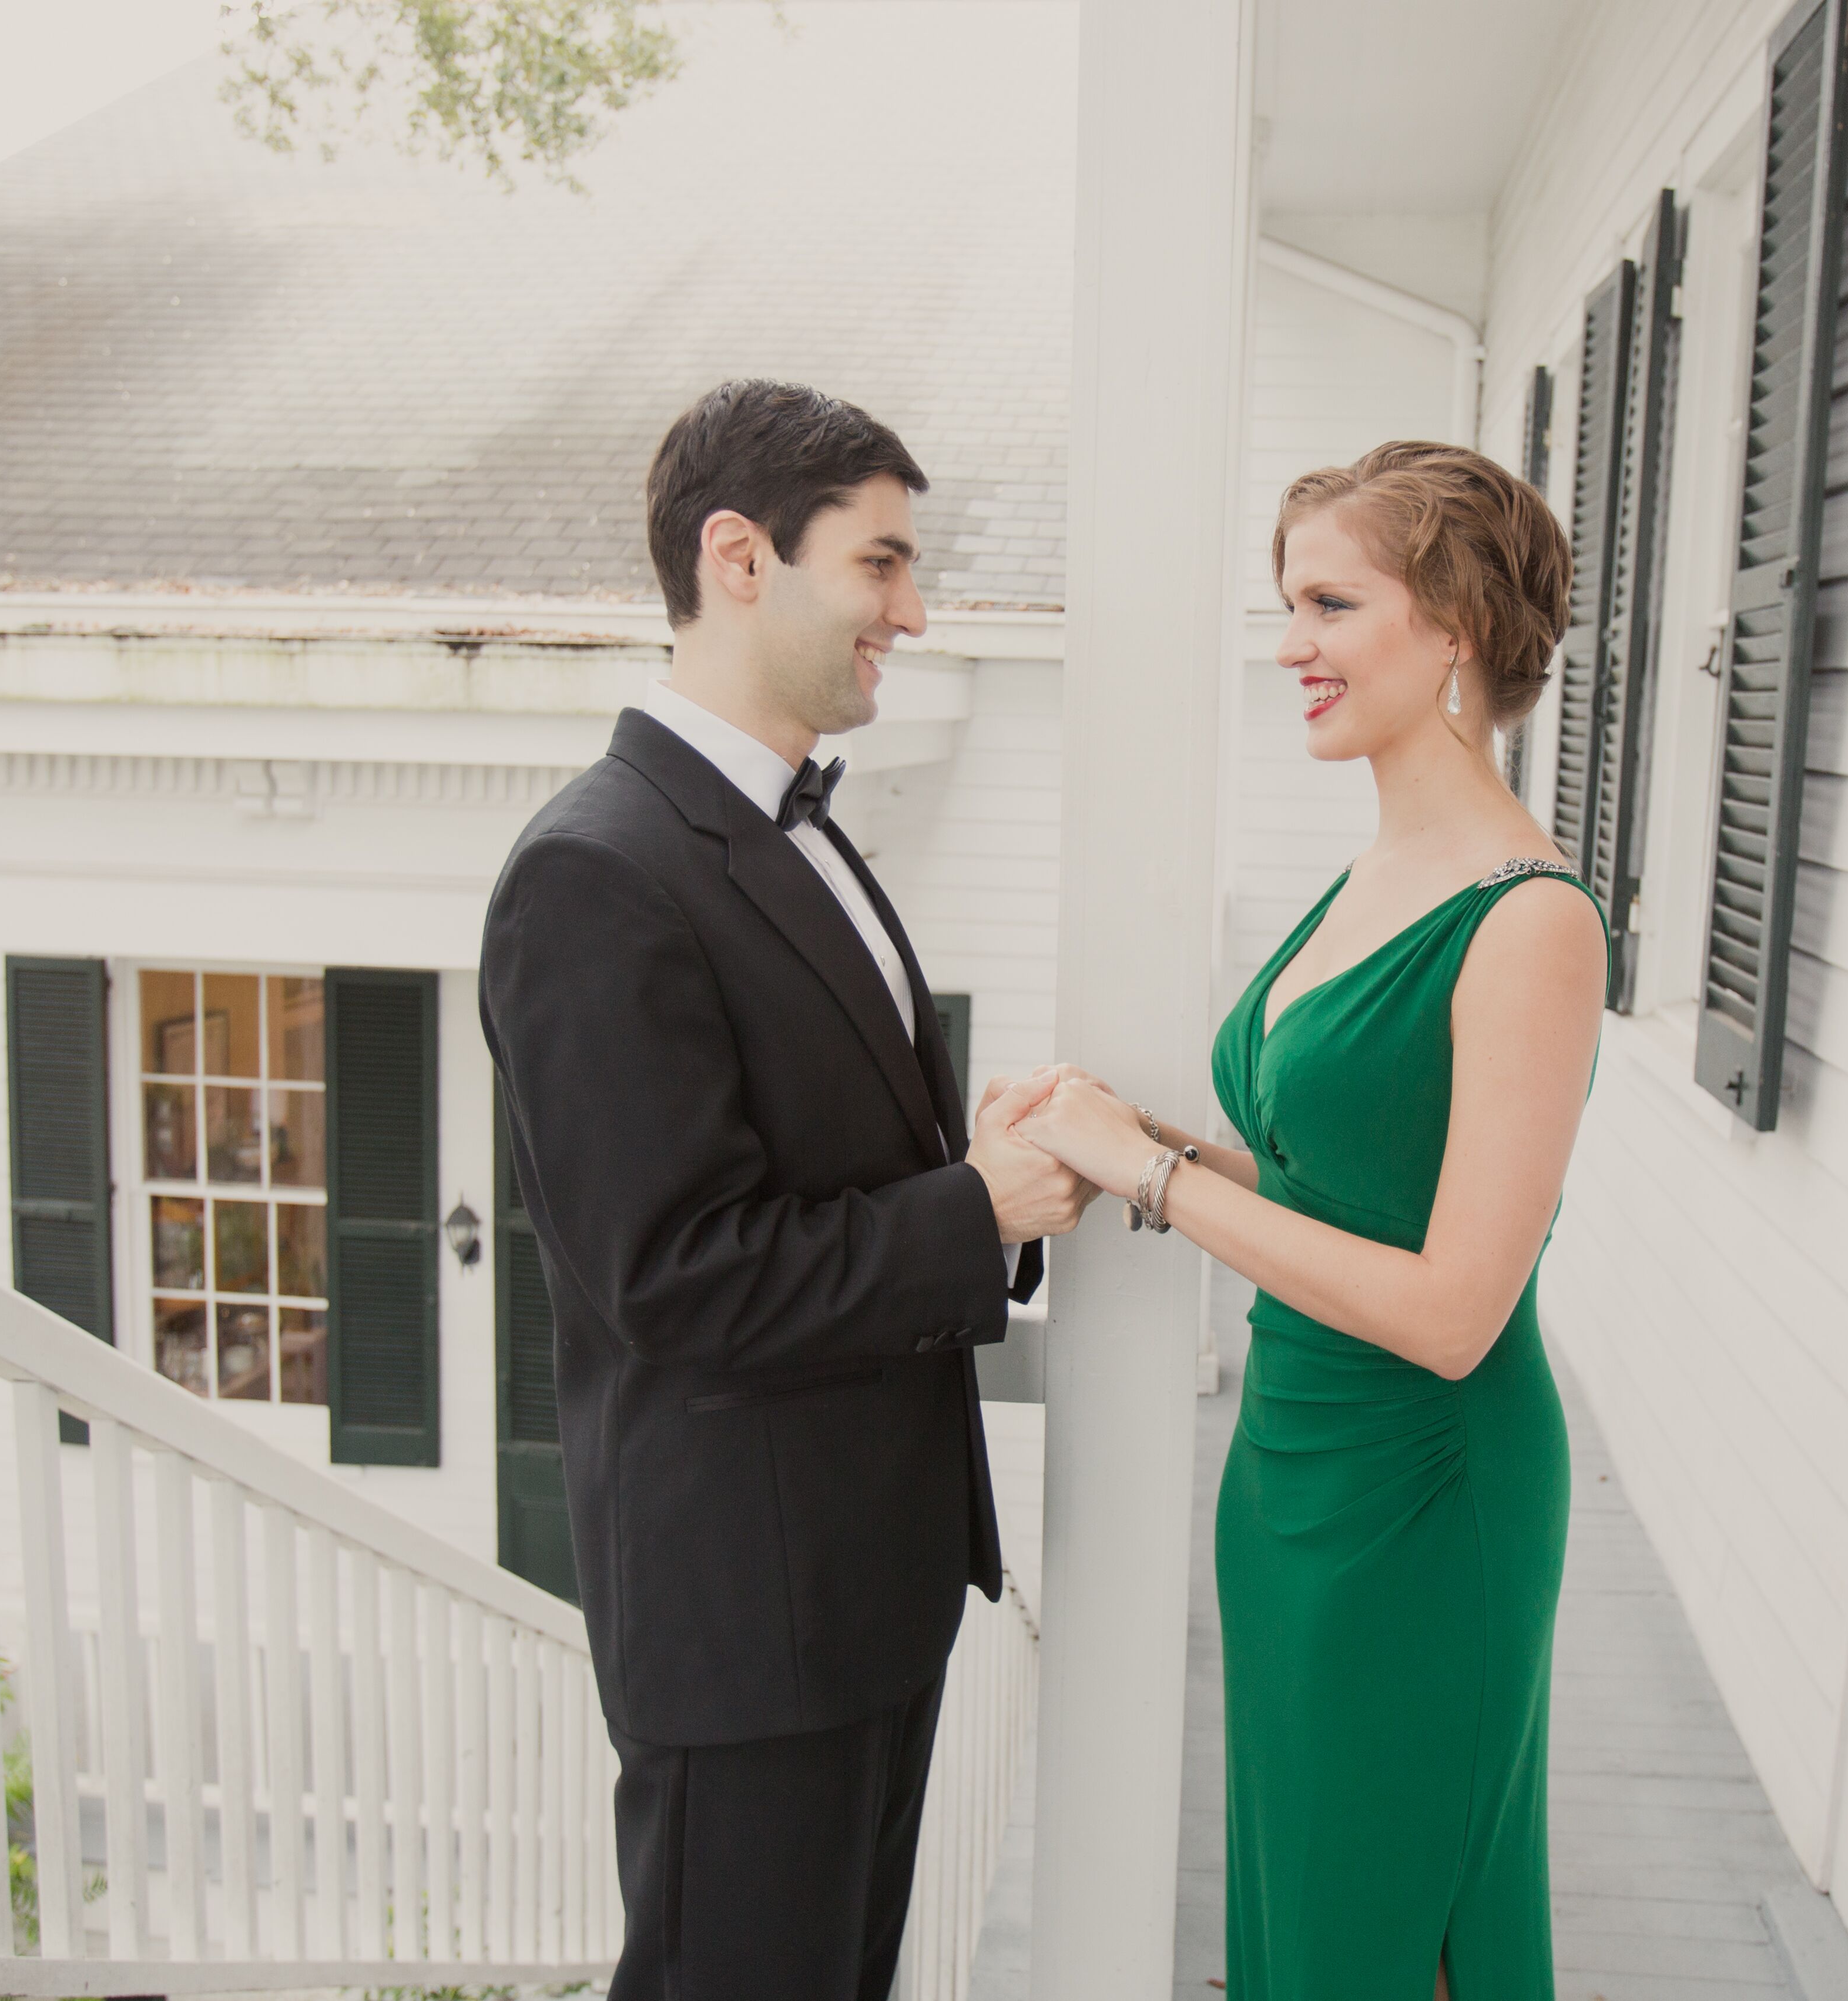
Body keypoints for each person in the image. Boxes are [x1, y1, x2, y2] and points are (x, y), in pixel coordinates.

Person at [479, 378, 1094, 2001]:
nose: (912, 607)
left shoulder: (795, 829)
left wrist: (985, 1164)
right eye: (880, 564)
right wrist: (981, 1212)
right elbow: (677, 1278)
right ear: (739, 557)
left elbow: (832, 1164)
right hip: (749, 1629)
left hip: (867, 1589)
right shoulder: (596, 872)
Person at [1016, 441, 1608, 2000]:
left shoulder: (1529, 922)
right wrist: (1140, 1132)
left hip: (1427, 1499)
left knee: (1388, 1930)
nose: (1290, 646)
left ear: (1456, 625)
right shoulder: (1371, 870)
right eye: (1289, 605)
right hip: (1289, 1485)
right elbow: (1329, 1186)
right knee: (1302, 1914)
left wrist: (1153, 1184)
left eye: (1330, 603)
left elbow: (1447, 1307)